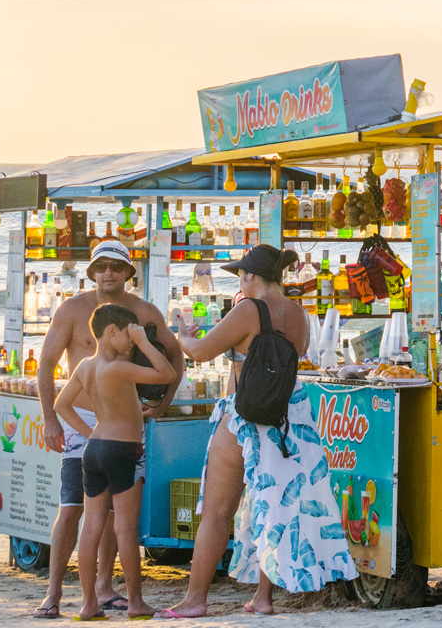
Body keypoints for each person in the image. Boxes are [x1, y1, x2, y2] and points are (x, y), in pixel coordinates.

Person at [161, 245, 356, 618]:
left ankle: (195, 600)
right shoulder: (299, 315)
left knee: (217, 511)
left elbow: (200, 352)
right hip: (287, 420)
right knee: (273, 508)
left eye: (240, 275)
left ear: (249, 276)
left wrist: (180, 335)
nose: (240, 281)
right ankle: (263, 598)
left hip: (243, 418)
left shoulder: (249, 309)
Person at [33, 240, 182, 619]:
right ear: (92, 272)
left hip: (115, 430)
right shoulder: (72, 309)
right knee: (71, 510)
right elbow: (46, 364)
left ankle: (102, 588)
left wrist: (162, 404)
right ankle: (52, 595)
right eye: (101, 267)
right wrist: (55, 422)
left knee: (112, 518)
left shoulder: (144, 311)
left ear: (129, 272)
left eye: (116, 267)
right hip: (90, 426)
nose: (108, 273)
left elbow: (175, 354)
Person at [56, 304, 175, 621]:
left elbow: (61, 405)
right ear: (111, 332)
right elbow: (168, 374)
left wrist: (90, 433)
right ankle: (136, 602)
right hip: (123, 449)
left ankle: (88, 604)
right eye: (128, 334)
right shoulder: (118, 368)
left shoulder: (85, 366)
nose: (132, 342)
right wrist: (147, 343)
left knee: (91, 527)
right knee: (124, 527)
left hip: (94, 449)